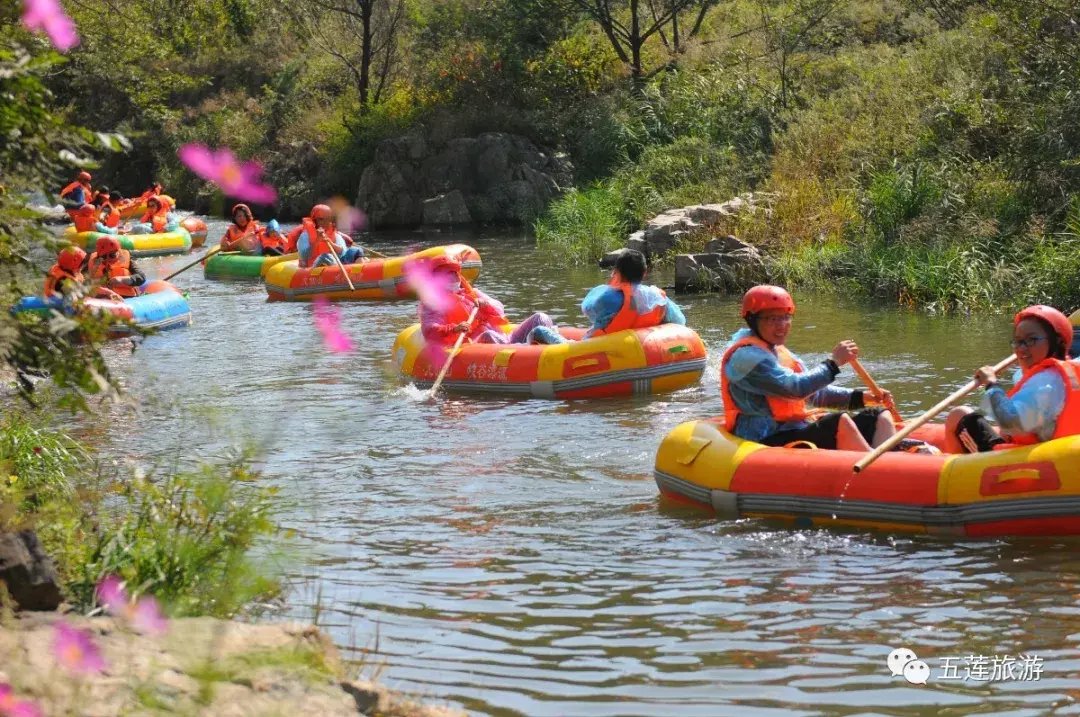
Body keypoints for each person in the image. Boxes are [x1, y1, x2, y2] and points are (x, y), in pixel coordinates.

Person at [720, 285, 900, 452]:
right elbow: (796, 388)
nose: (782, 324)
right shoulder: (746, 358)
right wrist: (833, 363)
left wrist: (863, 397)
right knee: (838, 422)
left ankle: (895, 463)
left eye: (785, 317)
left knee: (877, 415)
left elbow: (815, 394)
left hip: (795, 428)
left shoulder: (775, 350)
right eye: (772, 318)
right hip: (765, 438)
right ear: (752, 319)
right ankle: (878, 472)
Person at [945, 305, 1080, 453]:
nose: (1021, 348)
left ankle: (951, 470)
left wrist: (991, 383)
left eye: (1032, 340)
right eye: (1018, 341)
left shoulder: (1044, 382)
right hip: (1053, 453)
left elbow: (1010, 422)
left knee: (958, 415)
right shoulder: (1065, 371)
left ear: (1057, 342)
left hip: (1025, 464)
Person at [530, 249, 685, 345]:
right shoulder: (657, 297)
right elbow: (679, 321)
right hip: (643, 345)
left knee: (538, 331)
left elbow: (587, 310)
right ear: (644, 273)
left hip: (597, 347)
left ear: (616, 272)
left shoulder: (609, 298)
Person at [418, 254, 557, 345]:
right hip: (477, 343)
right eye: (450, 273)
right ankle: (526, 356)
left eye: (456, 272)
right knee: (488, 335)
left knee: (540, 318)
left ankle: (555, 347)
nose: (456, 276)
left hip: (505, 338)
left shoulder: (471, 294)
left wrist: (485, 305)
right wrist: (455, 328)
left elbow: (499, 311)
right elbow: (430, 330)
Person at [288, 204, 364, 268]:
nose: (325, 222)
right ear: (314, 220)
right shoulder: (305, 236)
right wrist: (317, 240)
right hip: (312, 267)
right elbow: (304, 256)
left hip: (333, 264)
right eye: (321, 219)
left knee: (356, 250)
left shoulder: (334, 233)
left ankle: (360, 278)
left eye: (328, 219)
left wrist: (331, 243)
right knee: (326, 256)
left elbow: (342, 251)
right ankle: (337, 278)